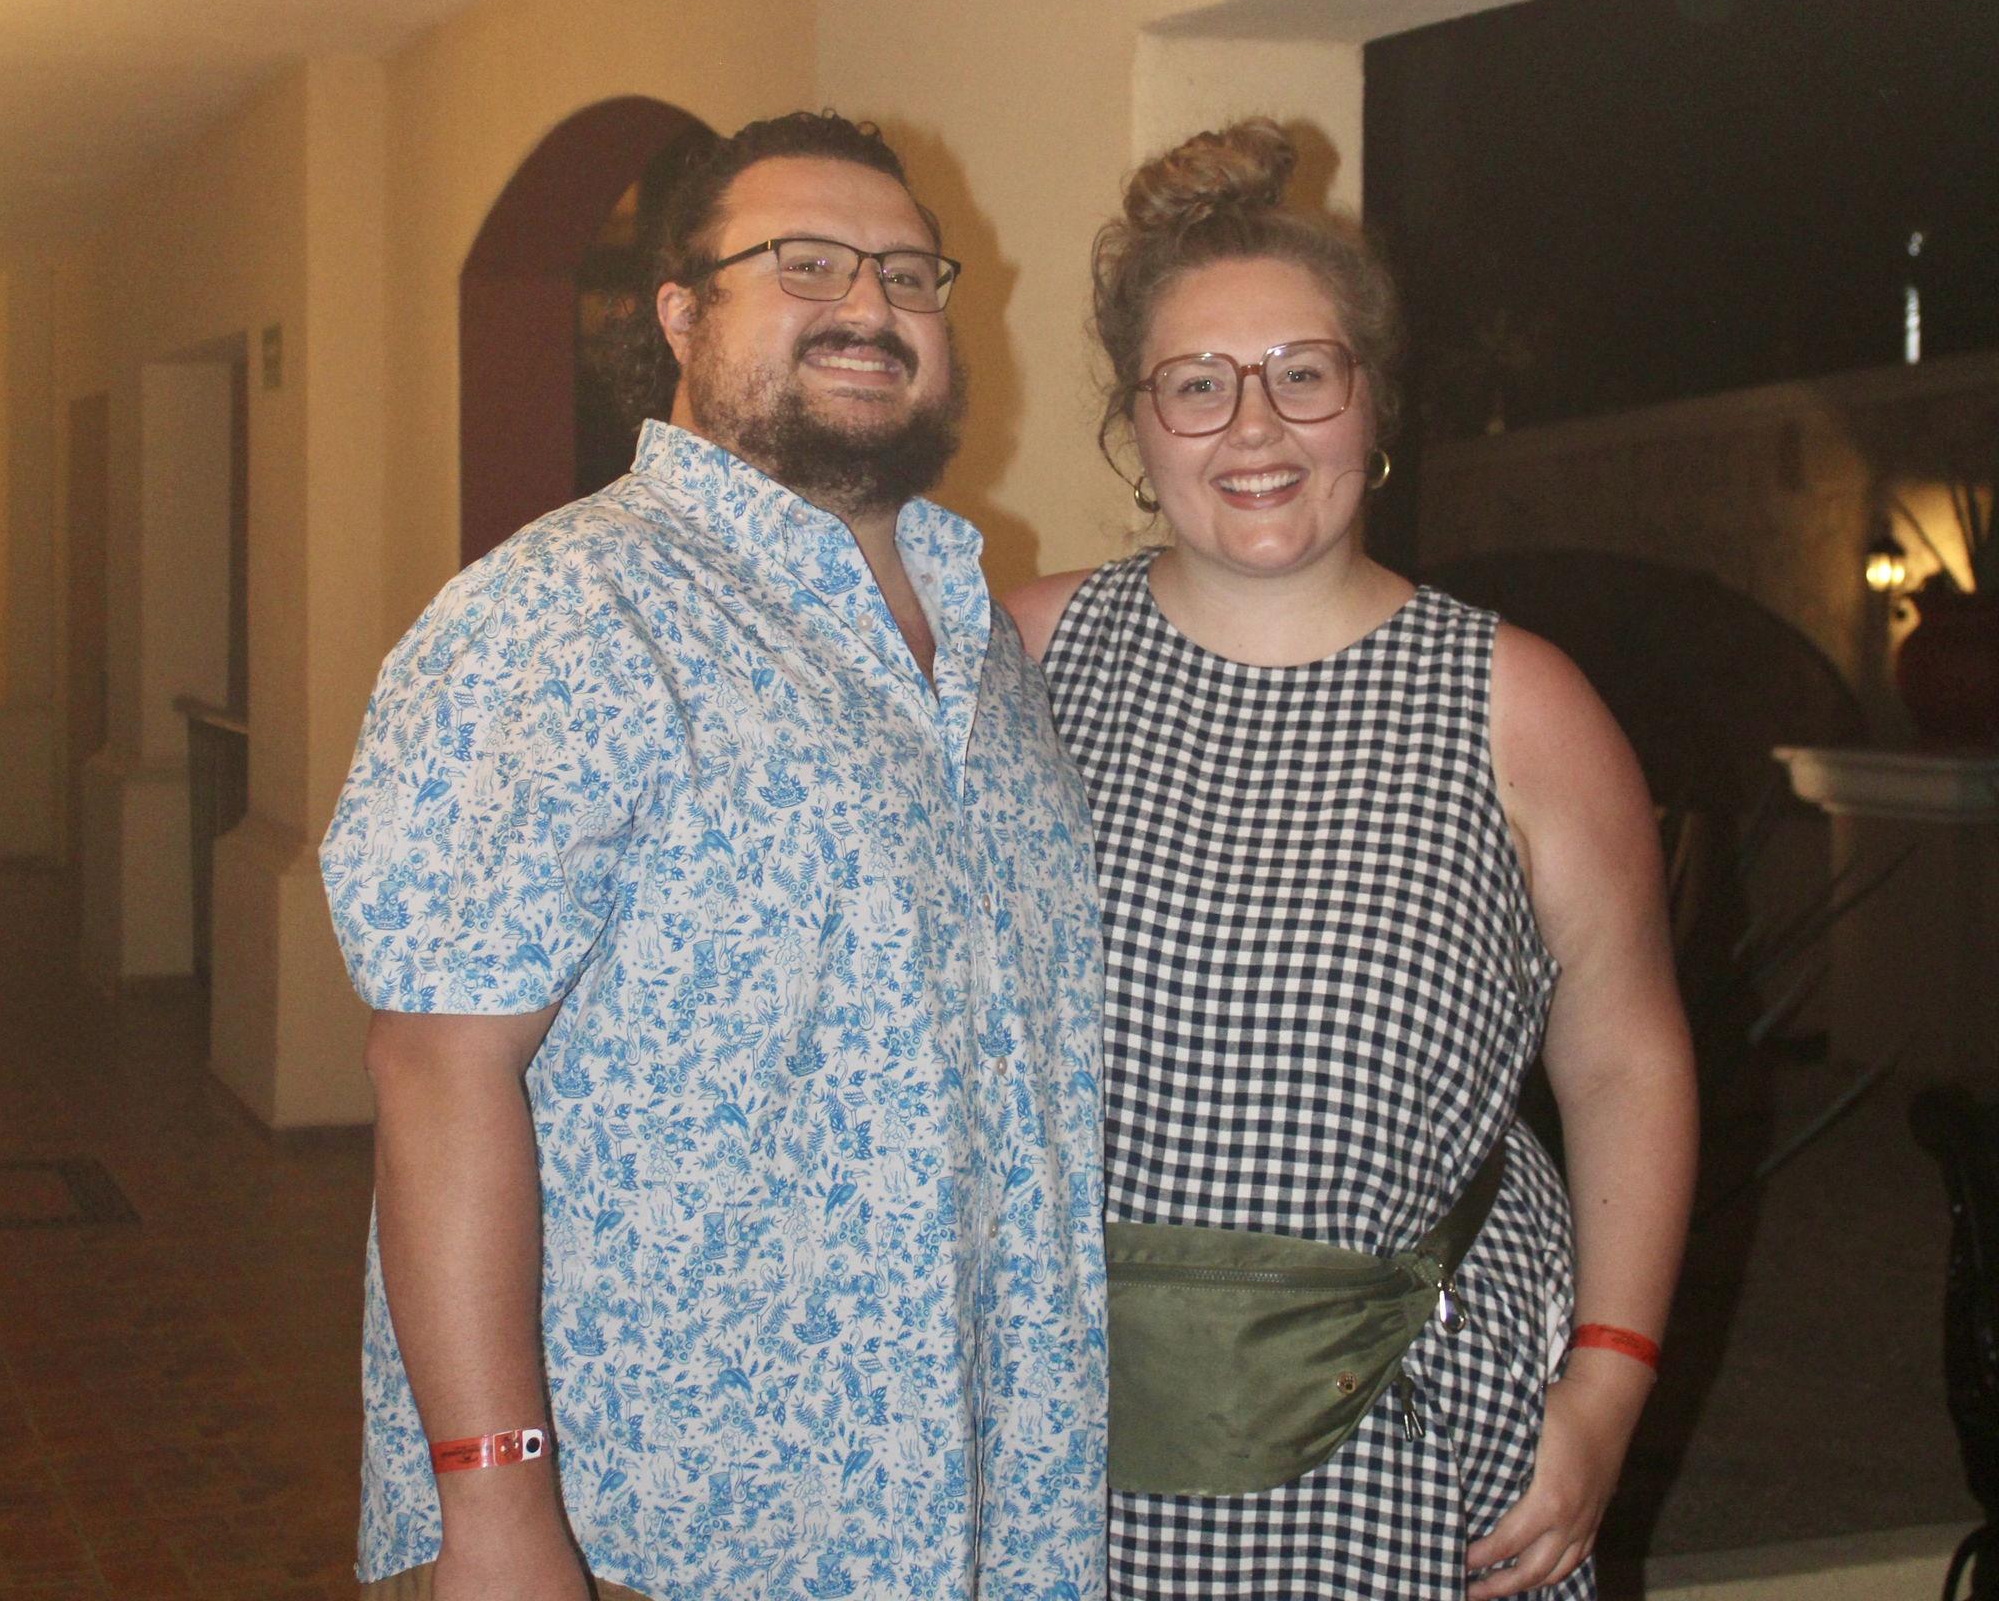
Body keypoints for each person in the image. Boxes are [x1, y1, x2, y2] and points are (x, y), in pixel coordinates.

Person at [323, 111, 1108, 1601]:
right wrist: (495, 1512)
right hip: (657, 1523)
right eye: (804, 264)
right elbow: (436, 1067)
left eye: (907, 274)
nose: (869, 305)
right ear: (681, 314)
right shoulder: (568, 613)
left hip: (972, 1503)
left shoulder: (983, 645)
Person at [1005, 120, 1696, 1601]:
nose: (1253, 428)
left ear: (1372, 401)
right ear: (1136, 428)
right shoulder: (1025, 658)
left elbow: (1626, 1063)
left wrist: (1609, 1385)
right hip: (1073, 1437)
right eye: (1198, 384)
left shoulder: (1523, 705)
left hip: (1420, 1434)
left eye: (1302, 374)